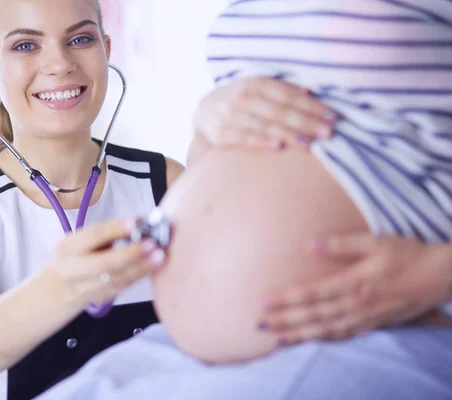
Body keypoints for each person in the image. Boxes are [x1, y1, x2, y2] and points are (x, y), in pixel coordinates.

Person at [35, 0, 452, 398]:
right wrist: (208, 119)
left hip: (382, 317)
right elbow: (219, 160)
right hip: (193, 344)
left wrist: (434, 275)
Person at [0, 0, 184, 399]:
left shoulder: (167, 182)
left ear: (107, 49)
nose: (60, 64)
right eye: (26, 45)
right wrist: (67, 285)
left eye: (80, 38)